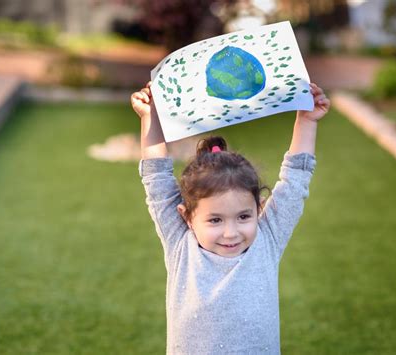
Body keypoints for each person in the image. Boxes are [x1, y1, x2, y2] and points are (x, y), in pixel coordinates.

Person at [131, 82, 330, 354]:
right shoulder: (180, 243)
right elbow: (156, 179)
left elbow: (295, 179)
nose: (231, 233)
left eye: (243, 216)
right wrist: (150, 118)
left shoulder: (267, 238)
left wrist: (306, 120)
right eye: (215, 220)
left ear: (259, 209)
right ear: (187, 217)